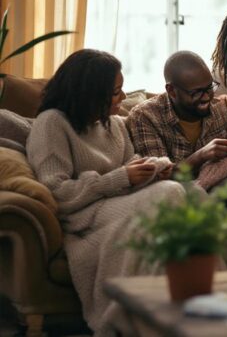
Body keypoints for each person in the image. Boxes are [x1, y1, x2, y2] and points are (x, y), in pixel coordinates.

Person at [26, 49, 194, 334]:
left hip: (118, 201)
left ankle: (193, 304)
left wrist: (151, 170)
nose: (123, 97)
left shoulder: (114, 124)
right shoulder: (52, 124)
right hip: (83, 217)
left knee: (188, 194)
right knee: (170, 195)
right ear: (89, 94)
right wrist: (120, 178)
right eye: (115, 92)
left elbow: (128, 164)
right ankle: (136, 316)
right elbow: (56, 193)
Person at [126, 50, 227, 268]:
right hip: (177, 196)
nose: (206, 97)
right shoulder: (145, 117)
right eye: (197, 93)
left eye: (209, 88)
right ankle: (221, 282)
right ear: (172, 91)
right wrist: (200, 156)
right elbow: (156, 179)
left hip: (214, 187)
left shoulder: (218, 111)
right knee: (195, 195)